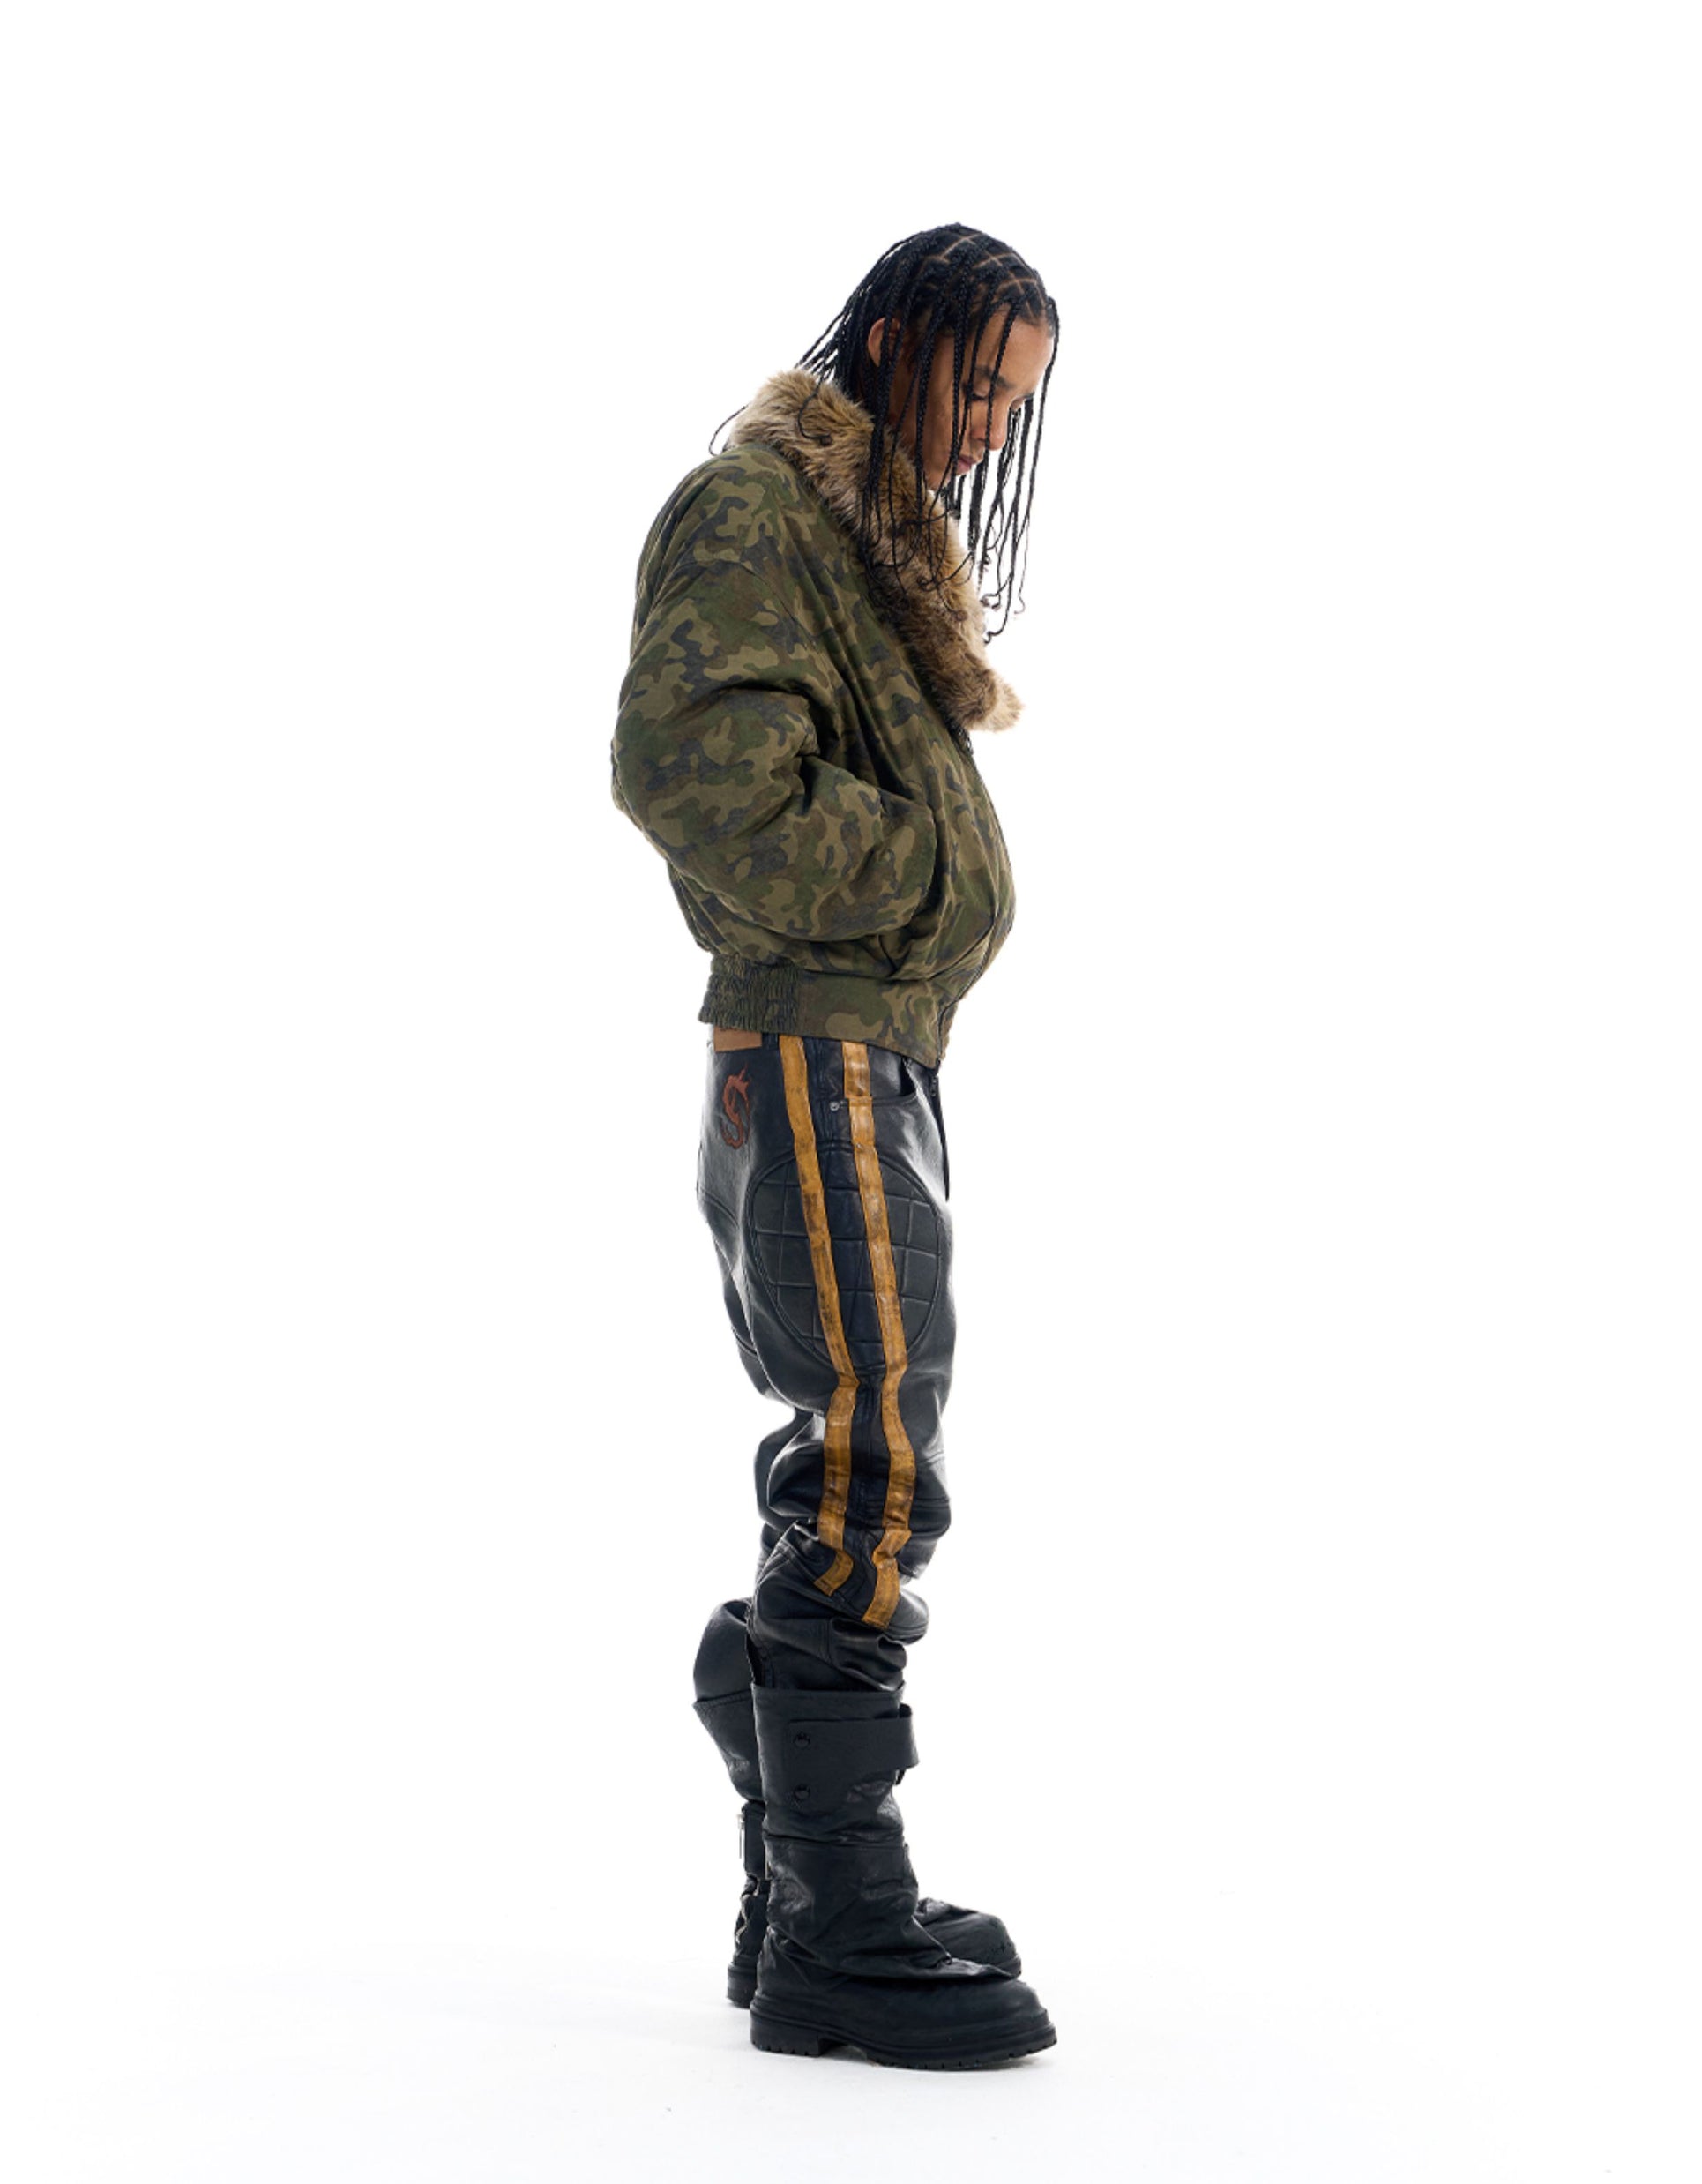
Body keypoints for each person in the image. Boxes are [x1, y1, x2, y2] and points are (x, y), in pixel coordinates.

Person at [611, 224, 1059, 2069]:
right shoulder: (757, 510)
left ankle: (802, 1896)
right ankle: (840, 1915)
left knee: (860, 1440)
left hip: (864, 1044)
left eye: (1016, 404)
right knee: (874, 1454)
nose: (987, 427)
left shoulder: (856, 540)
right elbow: (690, 768)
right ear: (889, 344)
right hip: (813, 1033)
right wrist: (934, 870)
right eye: (976, 384)